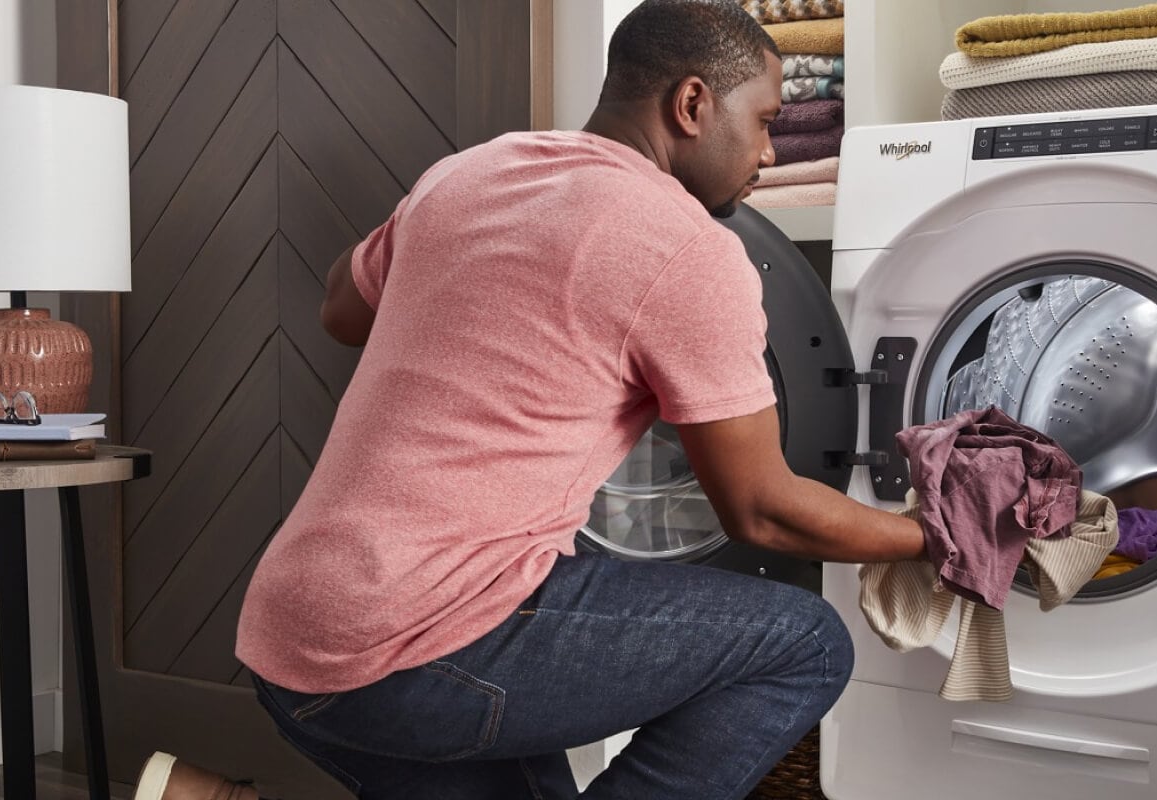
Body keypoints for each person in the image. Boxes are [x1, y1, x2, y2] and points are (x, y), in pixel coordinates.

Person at [137, 2, 923, 798]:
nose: (765, 152)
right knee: (807, 643)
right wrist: (932, 538)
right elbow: (762, 513)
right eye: (763, 121)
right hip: (420, 646)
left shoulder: (475, 171)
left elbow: (340, 307)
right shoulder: (688, 246)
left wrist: (446, 240)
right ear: (692, 106)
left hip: (291, 633)